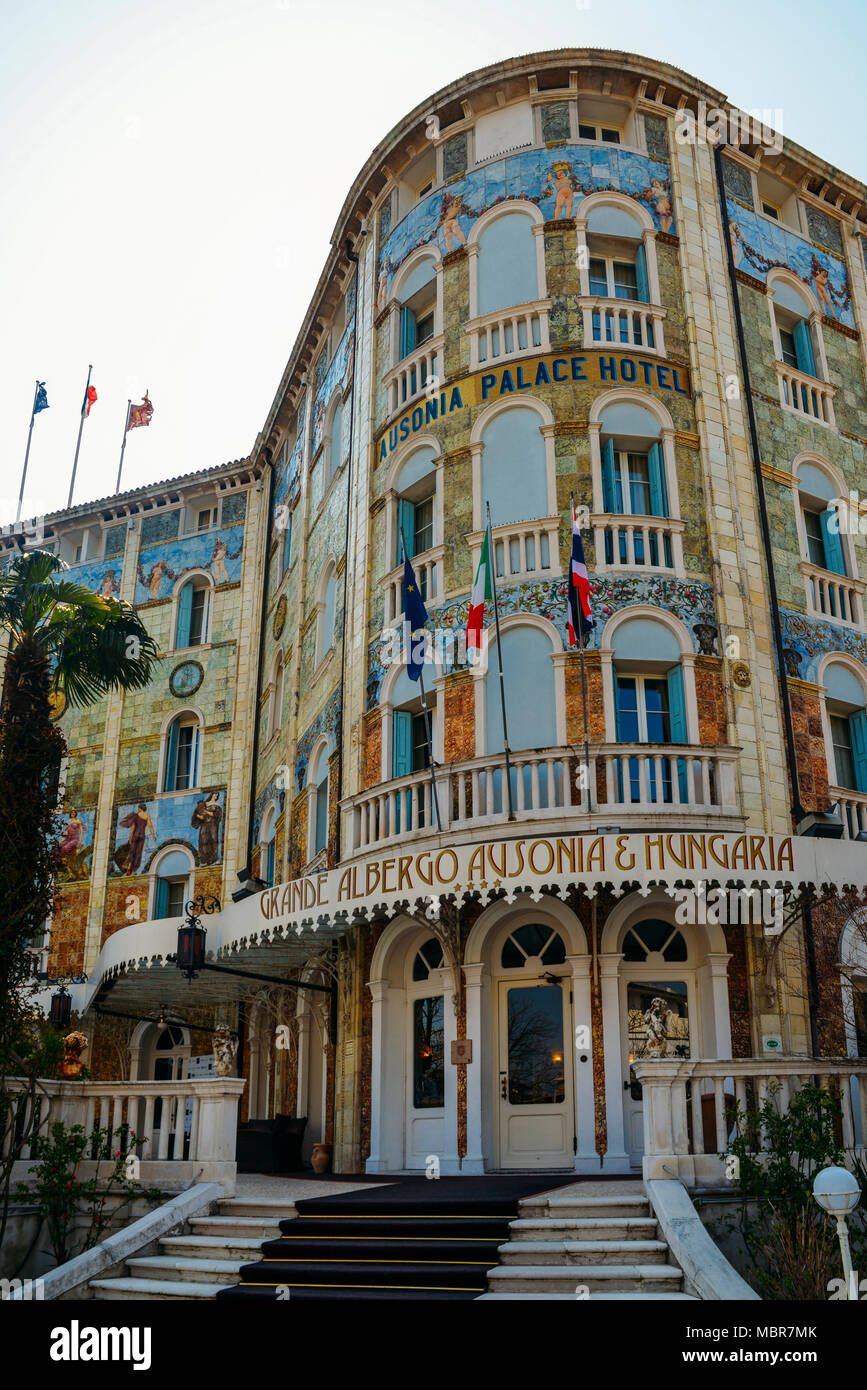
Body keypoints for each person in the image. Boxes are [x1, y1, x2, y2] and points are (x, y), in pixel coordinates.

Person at [118, 804, 156, 875]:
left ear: (140, 808)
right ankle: (133, 871)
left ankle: (129, 866)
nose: (138, 809)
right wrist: (153, 835)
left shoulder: (136, 816)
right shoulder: (147, 816)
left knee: (132, 851)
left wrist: (129, 837)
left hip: (135, 835)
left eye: (138, 808)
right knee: (138, 853)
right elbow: (150, 825)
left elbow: (133, 827)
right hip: (142, 835)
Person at [191, 792, 222, 865]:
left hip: (213, 824)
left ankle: (214, 859)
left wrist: (207, 812)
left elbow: (217, 815)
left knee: (214, 840)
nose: (216, 796)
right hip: (204, 824)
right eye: (215, 795)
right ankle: (204, 860)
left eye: (217, 795)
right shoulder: (205, 804)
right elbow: (198, 814)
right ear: (211, 795)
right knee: (204, 841)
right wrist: (199, 816)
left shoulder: (217, 805)